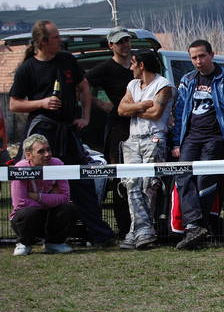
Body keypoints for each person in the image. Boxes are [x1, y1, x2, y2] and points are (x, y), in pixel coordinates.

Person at [9, 20, 115, 247]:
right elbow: (14, 104)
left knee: (82, 181)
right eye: (56, 37)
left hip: (68, 131)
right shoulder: (27, 68)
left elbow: (84, 87)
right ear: (42, 42)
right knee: (31, 182)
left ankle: (100, 235)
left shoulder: (67, 60)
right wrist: (43, 102)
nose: (60, 40)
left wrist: (85, 116)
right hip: (42, 130)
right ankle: (28, 238)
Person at [170, 39, 224, 250]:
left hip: (216, 138)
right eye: (194, 57)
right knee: (183, 176)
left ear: (212, 54)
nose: (198, 61)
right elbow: (179, 113)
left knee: (205, 179)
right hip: (191, 138)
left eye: (202, 56)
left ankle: (198, 226)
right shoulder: (187, 80)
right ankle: (195, 226)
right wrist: (177, 142)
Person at [117, 49, 175, 250]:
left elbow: (156, 113)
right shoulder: (132, 85)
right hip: (132, 140)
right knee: (131, 183)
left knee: (149, 185)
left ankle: (142, 231)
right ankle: (142, 231)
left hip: (154, 138)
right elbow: (121, 109)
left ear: (141, 65)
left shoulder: (164, 86)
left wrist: (134, 108)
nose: (130, 67)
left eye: (133, 63)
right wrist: (143, 104)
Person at [85, 26, 134, 238]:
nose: (124, 45)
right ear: (111, 45)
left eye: (127, 40)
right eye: (120, 41)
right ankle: (124, 228)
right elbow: (82, 85)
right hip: (118, 129)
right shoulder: (105, 68)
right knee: (120, 178)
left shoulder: (137, 65)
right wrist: (99, 104)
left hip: (143, 126)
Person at [10, 134, 78, 256]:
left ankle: (54, 244)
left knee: (68, 209)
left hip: (50, 215)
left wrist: (37, 196)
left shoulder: (57, 164)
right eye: (41, 151)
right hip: (30, 216)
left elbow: (65, 197)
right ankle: (25, 243)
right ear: (28, 155)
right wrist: (51, 198)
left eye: (48, 150)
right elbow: (20, 202)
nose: (47, 154)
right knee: (28, 213)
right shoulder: (20, 168)